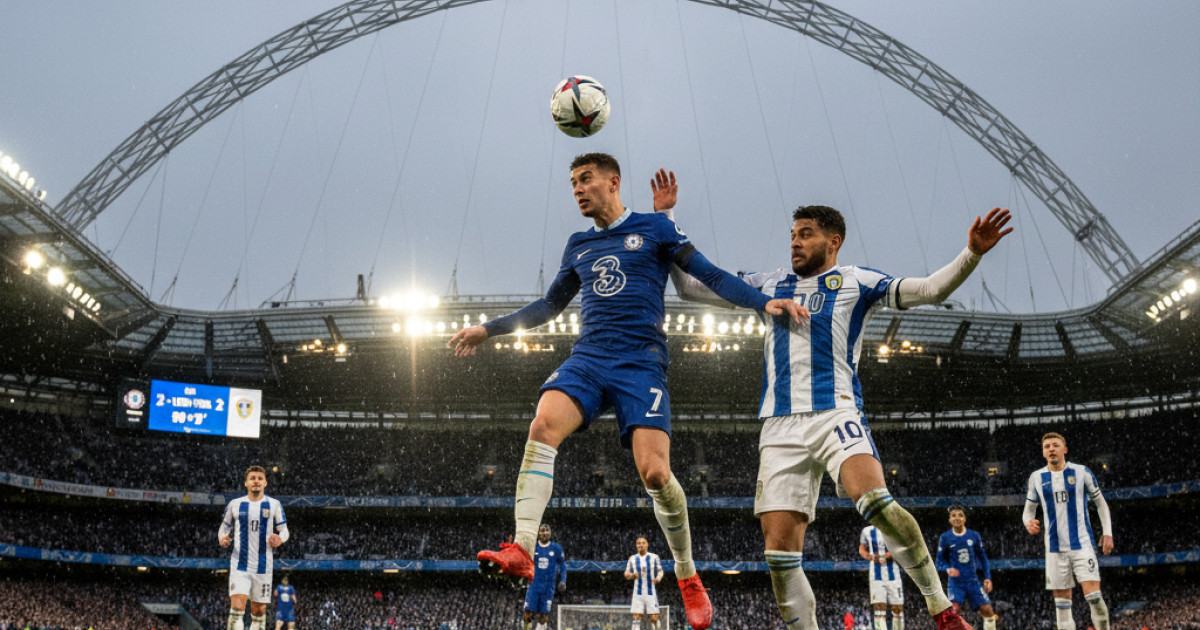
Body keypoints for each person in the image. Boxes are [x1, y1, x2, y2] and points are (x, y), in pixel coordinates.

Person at [450, 153, 805, 630]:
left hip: (641, 363)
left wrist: (765, 303)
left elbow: (711, 275)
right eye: (573, 182)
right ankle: (522, 548)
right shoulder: (578, 245)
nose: (577, 189)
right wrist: (488, 330)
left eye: (585, 179)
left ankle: (687, 574)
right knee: (542, 425)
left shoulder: (655, 230)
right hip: (589, 357)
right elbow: (550, 305)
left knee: (656, 474)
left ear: (613, 182)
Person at [658, 170, 1012, 630]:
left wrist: (972, 254)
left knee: (876, 502)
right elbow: (689, 287)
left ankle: (940, 608)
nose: (795, 243)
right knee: (779, 554)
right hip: (779, 424)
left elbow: (930, 289)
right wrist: (666, 218)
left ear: (834, 240)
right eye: (792, 235)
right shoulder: (768, 283)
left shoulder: (856, 281)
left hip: (835, 411)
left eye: (806, 234)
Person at [1023, 432, 1114, 630]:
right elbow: (1028, 511)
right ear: (1043, 452)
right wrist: (1028, 522)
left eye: (1055, 445)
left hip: (1082, 544)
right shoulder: (1036, 477)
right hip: (1054, 549)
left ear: (1065, 449)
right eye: (1047, 446)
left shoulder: (1082, 472)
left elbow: (1101, 503)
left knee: (1095, 598)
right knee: (1062, 608)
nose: (1051, 449)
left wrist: (1107, 532)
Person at [219, 465, 289, 630]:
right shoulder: (235, 504)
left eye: (259, 478)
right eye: (252, 478)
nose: (256, 481)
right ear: (246, 483)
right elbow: (224, 527)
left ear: (265, 483)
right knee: (236, 607)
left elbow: (284, 530)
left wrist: (280, 538)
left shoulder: (274, 504)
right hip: (240, 564)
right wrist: (222, 538)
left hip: (263, 566)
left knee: (259, 611)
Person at [936, 507, 997, 629]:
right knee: (953, 611)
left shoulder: (974, 535)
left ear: (965, 518)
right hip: (955, 583)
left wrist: (987, 578)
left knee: (988, 610)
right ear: (949, 519)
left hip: (972, 581)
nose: (957, 518)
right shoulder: (945, 537)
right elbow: (939, 562)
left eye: (960, 515)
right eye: (953, 515)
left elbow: (983, 558)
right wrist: (948, 569)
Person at [859, 525, 904, 630]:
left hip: (893, 575)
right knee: (879, 609)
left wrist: (887, 555)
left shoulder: (894, 529)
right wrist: (869, 557)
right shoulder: (867, 531)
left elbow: (900, 548)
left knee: (897, 609)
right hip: (876, 575)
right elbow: (862, 548)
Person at [523, 524, 567, 630]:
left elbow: (563, 565)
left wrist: (563, 581)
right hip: (534, 586)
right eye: (542, 531)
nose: (544, 533)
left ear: (550, 533)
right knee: (527, 615)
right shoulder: (533, 547)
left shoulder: (556, 548)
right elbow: (524, 562)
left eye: (547, 531)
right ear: (538, 533)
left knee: (543, 617)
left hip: (548, 588)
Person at [625, 536, 664, 630]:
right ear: (636, 546)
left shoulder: (654, 557)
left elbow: (660, 571)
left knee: (654, 618)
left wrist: (658, 578)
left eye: (643, 543)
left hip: (650, 592)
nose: (641, 545)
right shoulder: (632, 558)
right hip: (637, 592)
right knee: (636, 618)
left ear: (647, 545)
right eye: (638, 543)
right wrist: (632, 575)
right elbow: (626, 573)